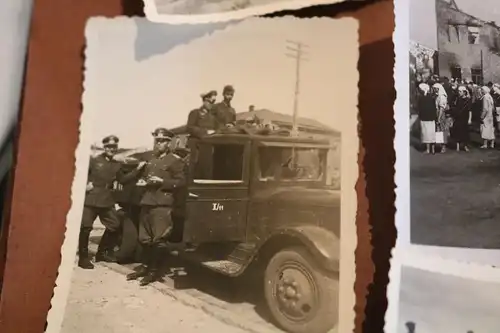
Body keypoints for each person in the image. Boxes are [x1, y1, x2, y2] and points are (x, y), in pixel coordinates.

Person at [126, 128, 186, 286]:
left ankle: (153, 272)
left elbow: (181, 182)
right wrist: (143, 182)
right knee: (144, 238)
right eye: (157, 141)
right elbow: (147, 177)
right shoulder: (152, 160)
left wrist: (162, 182)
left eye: (162, 141)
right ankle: (144, 267)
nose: (158, 143)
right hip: (147, 201)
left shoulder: (175, 160)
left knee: (158, 240)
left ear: (168, 143)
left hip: (162, 204)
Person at [79, 135, 146, 269]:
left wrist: (137, 170)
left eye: (114, 147)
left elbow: (123, 180)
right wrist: (84, 184)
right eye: (109, 147)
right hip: (91, 198)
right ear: (104, 147)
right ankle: (83, 258)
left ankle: (102, 253)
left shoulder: (117, 164)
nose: (111, 149)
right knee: (86, 228)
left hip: (107, 199)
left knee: (114, 225)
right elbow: (80, 174)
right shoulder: (94, 160)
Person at [417, 83, 437, 154]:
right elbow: (434, 108)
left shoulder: (421, 98)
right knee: (432, 133)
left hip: (424, 118)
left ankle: (428, 149)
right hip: (432, 118)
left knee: (426, 134)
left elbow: (419, 109)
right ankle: (433, 149)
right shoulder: (432, 97)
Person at [451, 86, 472, 152]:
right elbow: (456, 108)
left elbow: (470, 110)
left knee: (465, 132)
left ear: (464, 92)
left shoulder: (468, 100)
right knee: (457, 131)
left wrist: (469, 119)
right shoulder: (458, 99)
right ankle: (458, 146)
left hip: (465, 118)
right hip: (458, 118)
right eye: (458, 91)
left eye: (460, 91)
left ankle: (465, 146)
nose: (459, 93)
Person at [433, 83, 451, 153]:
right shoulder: (437, 96)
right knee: (439, 130)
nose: (434, 90)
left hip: (441, 114)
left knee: (442, 130)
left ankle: (444, 146)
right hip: (438, 113)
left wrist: (439, 118)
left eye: (435, 88)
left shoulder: (442, 97)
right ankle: (441, 145)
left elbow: (441, 108)